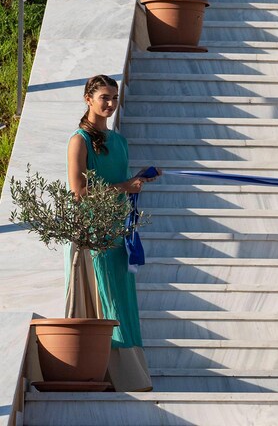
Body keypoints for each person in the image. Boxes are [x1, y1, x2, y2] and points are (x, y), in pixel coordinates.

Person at [66, 74, 155, 392]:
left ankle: (133, 376)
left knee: (124, 302)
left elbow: (116, 183)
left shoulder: (119, 141)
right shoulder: (80, 140)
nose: (111, 104)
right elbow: (79, 191)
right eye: (104, 97)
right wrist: (124, 186)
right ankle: (105, 375)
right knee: (105, 298)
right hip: (93, 231)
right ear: (88, 99)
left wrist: (136, 183)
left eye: (114, 98)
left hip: (120, 230)